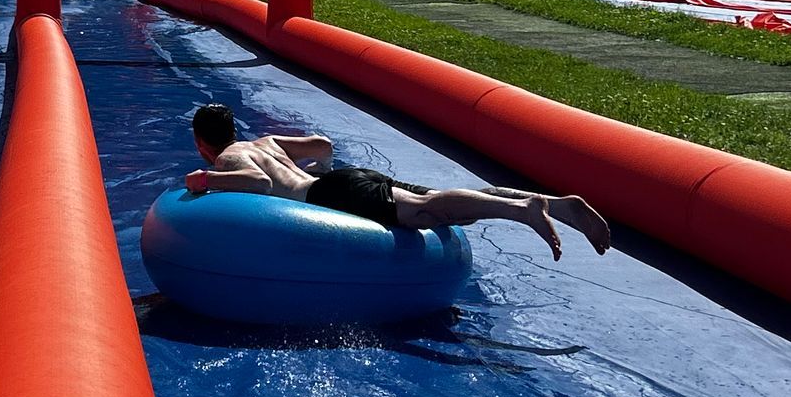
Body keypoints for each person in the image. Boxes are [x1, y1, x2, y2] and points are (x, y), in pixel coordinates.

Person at [184, 104, 610, 261]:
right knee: (439, 199)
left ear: (202, 142)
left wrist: (206, 179)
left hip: (331, 193)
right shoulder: (266, 140)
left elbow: (257, 183)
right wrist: (315, 170)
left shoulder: (226, 157)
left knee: (428, 211)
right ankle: (557, 204)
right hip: (348, 178)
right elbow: (323, 145)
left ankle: (523, 210)